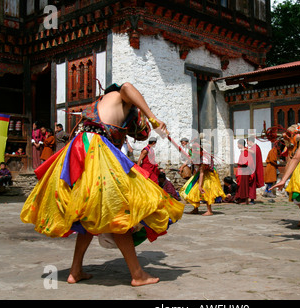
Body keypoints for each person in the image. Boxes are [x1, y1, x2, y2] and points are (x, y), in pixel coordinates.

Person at [20, 82, 184, 287]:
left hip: (79, 148)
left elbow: (137, 132)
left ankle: (75, 270)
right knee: (118, 210)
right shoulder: (119, 95)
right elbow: (127, 87)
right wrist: (152, 116)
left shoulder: (99, 104)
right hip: (94, 149)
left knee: (90, 212)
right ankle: (137, 274)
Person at [180, 138, 225, 216]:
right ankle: (195, 208)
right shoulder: (194, 153)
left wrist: (200, 186)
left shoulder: (204, 157)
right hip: (199, 173)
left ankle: (209, 210)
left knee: (206, 191)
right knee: (192, 190)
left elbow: (202, 173)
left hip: (207, 174)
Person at [235, 139, 254, 205]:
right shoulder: (244, 151)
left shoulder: (245, 151)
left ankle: (245, 200)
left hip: (244, 170)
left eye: (238, 144)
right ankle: (241, 198)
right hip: (242, 170)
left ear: (240, 144)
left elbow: (247, 162)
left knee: (244, 185)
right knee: (241, 185)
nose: (237, 146)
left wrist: (240, 164)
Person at [247, 136, 264, 204]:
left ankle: (252, 199)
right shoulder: (254, 147)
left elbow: (253, 152)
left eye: (247, 142)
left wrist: (245, 149)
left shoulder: (255, 147)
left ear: (250, 141)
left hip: (253, 168)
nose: (247, 143)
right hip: (252, 168)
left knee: (252, 185)